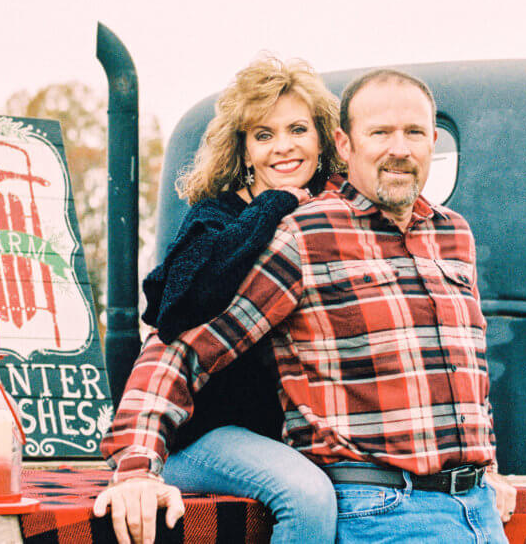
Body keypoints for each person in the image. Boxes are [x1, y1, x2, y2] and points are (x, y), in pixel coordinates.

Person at [99, 68, 518, 543]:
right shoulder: (298, 231)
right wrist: (136, 465)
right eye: (380, 132)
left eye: (414, 133)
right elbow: (181, 341)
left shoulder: (453, 234)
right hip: (372, 502)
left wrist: (485, 466)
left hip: (475, 510)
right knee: (306, 495)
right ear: (345, 145)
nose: (399, 148)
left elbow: (464, 374)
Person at [94, 55, 343, 544]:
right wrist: (278, 201)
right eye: (264, 135)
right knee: (307, 496)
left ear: (323, 140)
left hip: (291, 434)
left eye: (297, 129)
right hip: (203, 432)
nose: (284, 147)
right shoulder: (216, 216)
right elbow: (177, 311)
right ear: (244, 150)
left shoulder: (333, 216)